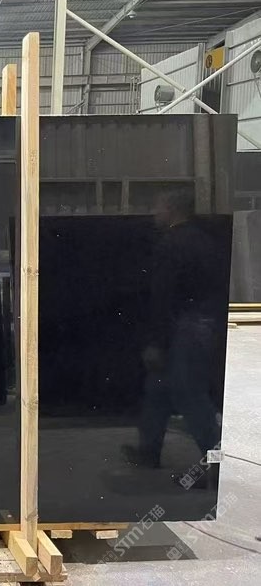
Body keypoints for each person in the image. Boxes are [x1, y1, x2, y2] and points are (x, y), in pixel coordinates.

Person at [122, 189, 221, 483]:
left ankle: (218, 466)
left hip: (185, 328)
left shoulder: (171, 244)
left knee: (189, 395)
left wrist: (156, 341)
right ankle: (149, 450)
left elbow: (163, 296)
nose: (155, 213)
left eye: (158, 207)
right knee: (159, 389)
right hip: (204, 324)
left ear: (172, 209)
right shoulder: (203, 241)